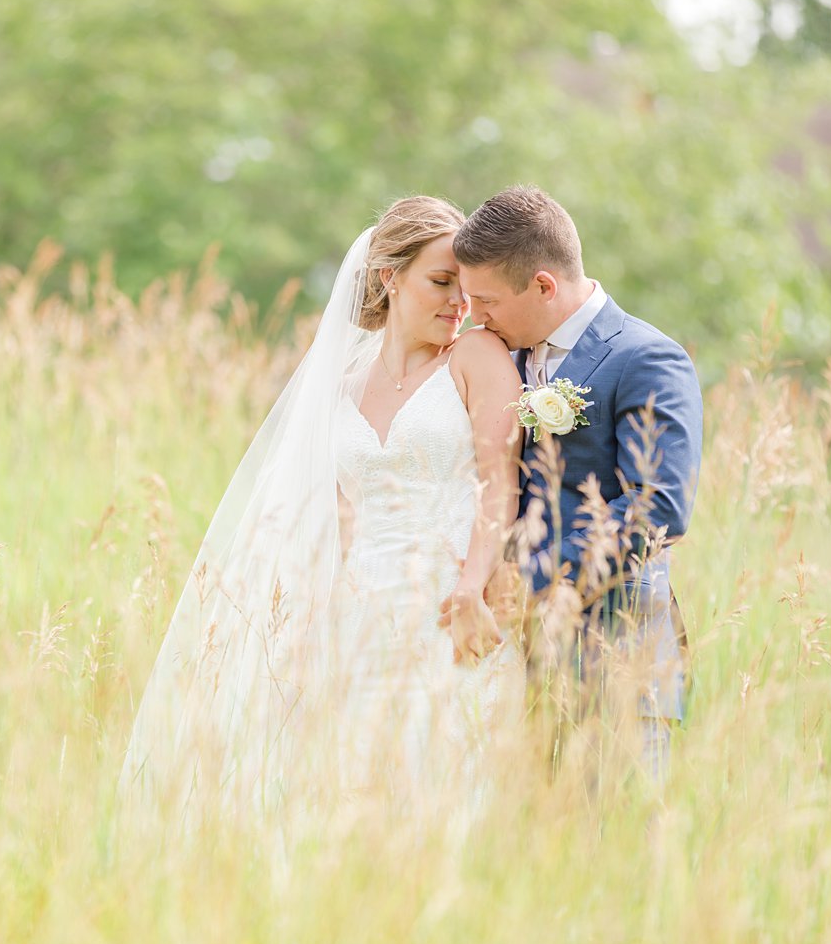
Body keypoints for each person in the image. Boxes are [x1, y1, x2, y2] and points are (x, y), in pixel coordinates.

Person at [120, 197, 525, 829]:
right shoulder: (338, 391)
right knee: (355, 786)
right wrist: (301, 622)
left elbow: (500, 483)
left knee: (448, 780)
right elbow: (334, 516)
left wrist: (474, 583)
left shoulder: (477, 359)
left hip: (452, 607)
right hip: (359, 616)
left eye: (466, 289)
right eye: (441, 282)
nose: (459, 303)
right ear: (390, 278)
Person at [453, 185, 704, 784]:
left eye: (486, 301)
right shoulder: (503, 358)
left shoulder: (647, 359)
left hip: (617, 650)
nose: (476, 317)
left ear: (543, 285)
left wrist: (532, 578)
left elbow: (659, 507)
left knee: (615, 843)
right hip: (516, 665)